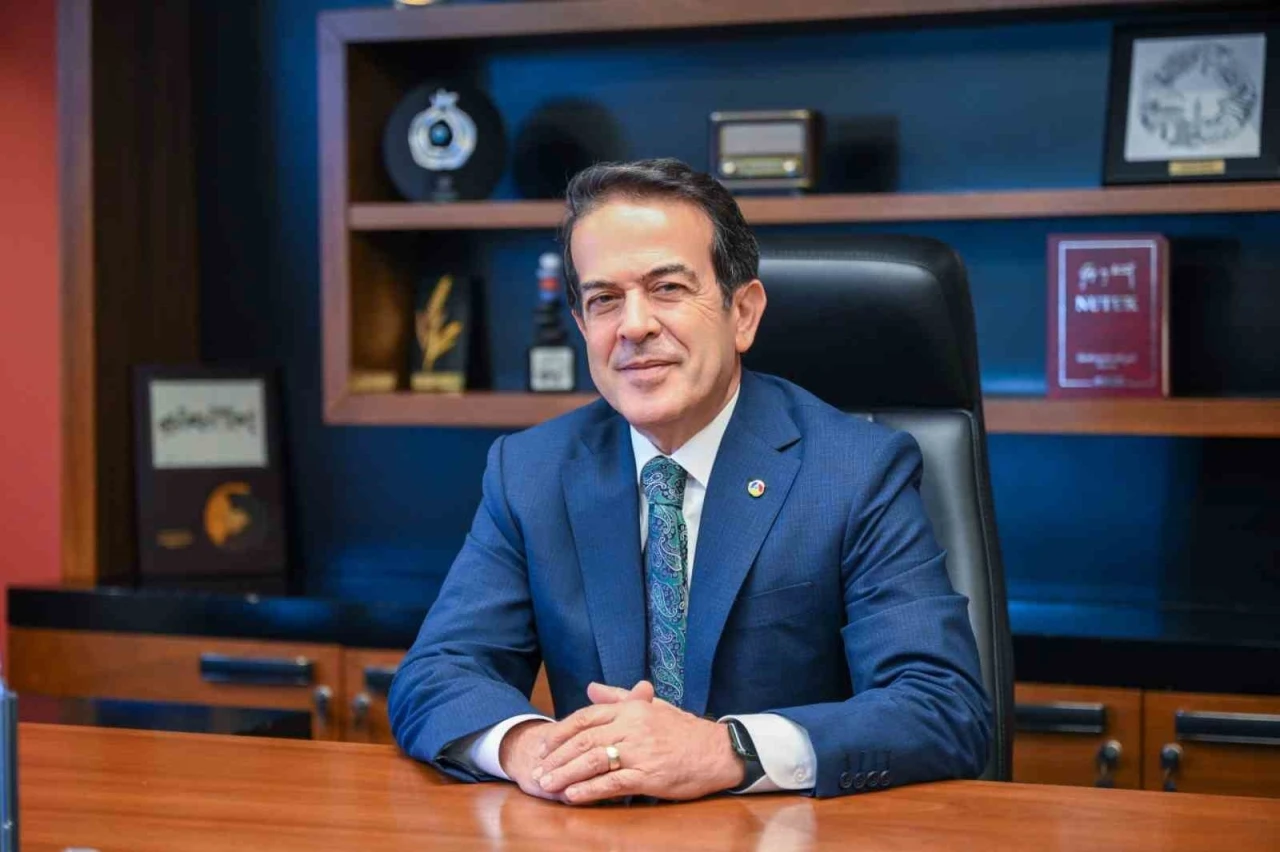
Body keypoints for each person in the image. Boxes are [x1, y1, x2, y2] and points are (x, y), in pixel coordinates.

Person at [388, 158, 990, 805]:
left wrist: (726, 750)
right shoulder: (531, 471)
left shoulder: (854, 471)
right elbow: (437, 672)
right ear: (583, 325)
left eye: (668, 288)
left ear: (743, 313)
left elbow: (941, 705)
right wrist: (532, 748)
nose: (634, 325)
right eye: (604, 300)